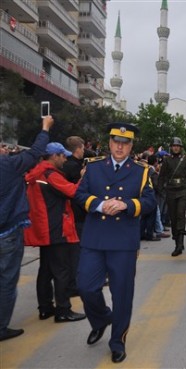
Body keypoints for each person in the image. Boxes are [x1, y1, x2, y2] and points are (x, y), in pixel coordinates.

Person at [75, 122, 157, 363]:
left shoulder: (141, 171)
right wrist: (100, 204)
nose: (120, 147)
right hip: (95, 238)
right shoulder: (93, 167)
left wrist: (126, 205)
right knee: (85, 287)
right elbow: (79, 195)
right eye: (116, 142)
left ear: (131, 146)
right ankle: (101, 319)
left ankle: (117, 339)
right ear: (110, 143)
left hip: (123, 241)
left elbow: (150, 202)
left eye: (125, 143)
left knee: (122, 293)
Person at [0, 116, 54, 342]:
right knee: (6, 282)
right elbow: (35, 153)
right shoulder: (8, 166)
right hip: (8, 233)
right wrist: (44, 127)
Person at [24, 142, 86, 323]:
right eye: (63, 156)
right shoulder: (51, 175)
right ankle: (63, 310)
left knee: (46, 270)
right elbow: (73, 191)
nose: (65, 159)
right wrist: (83, 179)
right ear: (54, 156)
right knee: (62, 270)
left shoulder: (38, 173)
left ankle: (45, 307)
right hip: (56, 227)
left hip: (45, 227)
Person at [157, 137, 186, 256]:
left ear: (181, 148)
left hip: (183, 190)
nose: (175, 147)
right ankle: (177, 240)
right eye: (174, 146)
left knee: (180, 214)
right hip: (171, 190)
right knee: (173, 217)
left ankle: (180, 243)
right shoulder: (167, 160)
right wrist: (161, 189)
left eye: (177, 146)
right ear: (171, 147)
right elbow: (162, 176)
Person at [62, 136, 87, 297]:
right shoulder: (71, 167)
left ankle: (81, 280)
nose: (84, 150)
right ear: (77, 148)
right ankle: (74, 283)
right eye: (83, 148)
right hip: (75, 214)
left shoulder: (76, 165)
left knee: (82, 250)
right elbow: (74, 190)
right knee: (76, 252)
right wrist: (83, 175)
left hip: (80, 213)